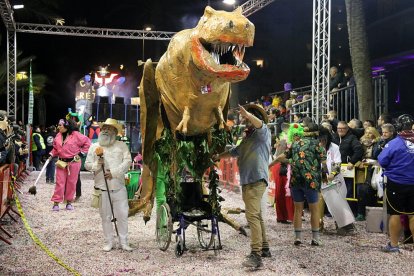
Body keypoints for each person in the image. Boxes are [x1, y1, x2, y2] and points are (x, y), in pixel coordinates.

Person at [213, 104, 271, 269]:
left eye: (248, 117)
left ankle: (256, 255)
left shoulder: (263, 132)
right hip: (248, 180)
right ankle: (264, 248)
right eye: (246, 117)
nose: (245, 119)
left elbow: (259, 123)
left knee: (252, 216)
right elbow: (234, 152)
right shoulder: (249, 137)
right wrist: (218, 156)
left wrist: (248, 114)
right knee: (257, 216)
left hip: (256, 180)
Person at [85, 118, 132, 252]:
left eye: (109, 128)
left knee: (122, 215)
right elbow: (87, 165)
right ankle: (109, 242)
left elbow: (128, 161)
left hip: (118, 187)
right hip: (102, 188)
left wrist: (114, 172)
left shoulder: (121, 146)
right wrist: (97, 165)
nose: (105, 130)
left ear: (115, 132)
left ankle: (124, 241)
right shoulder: (95, 147)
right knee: (105, 217)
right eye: (104, 128)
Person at [275, 123, 326, 246]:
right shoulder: (317, 144)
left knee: (298, 209)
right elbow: (323, 162)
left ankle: (297, 238)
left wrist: (292, 162)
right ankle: (315, 239)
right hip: (311, 181)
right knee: (314, 210)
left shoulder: (295, 143)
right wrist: (324, 175)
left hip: (296, 180)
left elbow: (281, 157)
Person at [378, 115, 414, 253]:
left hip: (397, 183)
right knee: (413, 214)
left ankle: (394, 245)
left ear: (398, 127)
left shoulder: (394, 143)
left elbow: (382, 160)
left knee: (396, 214)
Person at [49, 118, 91, 211]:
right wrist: (52, 154)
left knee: (72, 183)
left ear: (66, 126)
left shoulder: (76, 135)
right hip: (61, 162)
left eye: (60, 125)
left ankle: (69, 202)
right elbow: (56, 148)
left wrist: (81, 154)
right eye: (58, 125)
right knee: (60, 183)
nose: (58, 127)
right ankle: (56, 203)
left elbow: (87, 142)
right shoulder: (58, 136)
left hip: (74, 163)